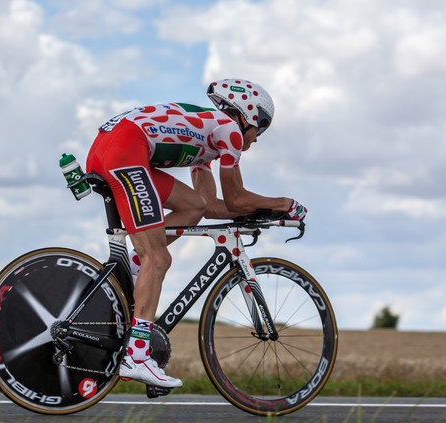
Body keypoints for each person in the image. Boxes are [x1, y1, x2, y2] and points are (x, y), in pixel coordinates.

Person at [86, 78, 307, 388]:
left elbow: (212, 206)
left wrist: (262, 212)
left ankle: (136, 265)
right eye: (262, 127)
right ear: (247, 115)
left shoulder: (208, 138)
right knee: (159, 258)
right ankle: (137, 355)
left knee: (193, 206)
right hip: (124, 150)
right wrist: (284, 204)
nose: (258, 139)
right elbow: (236, 199)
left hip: (114, 146)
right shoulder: (228, 131)